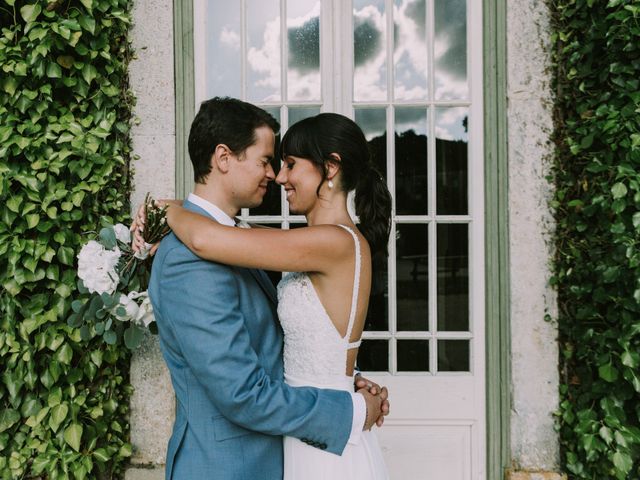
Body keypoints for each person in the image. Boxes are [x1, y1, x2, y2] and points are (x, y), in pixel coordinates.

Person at [142, 97, 389, 480]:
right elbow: (244, 389)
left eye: (288, 163)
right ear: (224, 158)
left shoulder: (328, 242)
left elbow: (213, 239)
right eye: (269, 161)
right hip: (234, 463)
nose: (277, 175)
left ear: (330, 169)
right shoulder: (190, 257)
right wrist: (346, 399)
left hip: (308, 444)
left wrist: (169, 210)